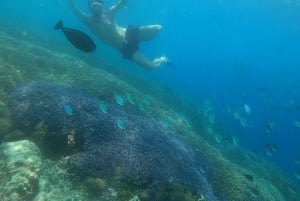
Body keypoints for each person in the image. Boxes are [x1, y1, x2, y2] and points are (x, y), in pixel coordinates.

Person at [68, 0, 169, 69]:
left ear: (103, 6)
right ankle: (162, 59)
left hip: (129, 34)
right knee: (151, 67)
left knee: (157, 28)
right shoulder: (87, 20)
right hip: (123, 48)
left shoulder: (109, 13)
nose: (98, 7)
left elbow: (122, 2)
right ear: (90, 6)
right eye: (95, 5)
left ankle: (144, 38)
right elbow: (74, 8)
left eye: (100, 5)